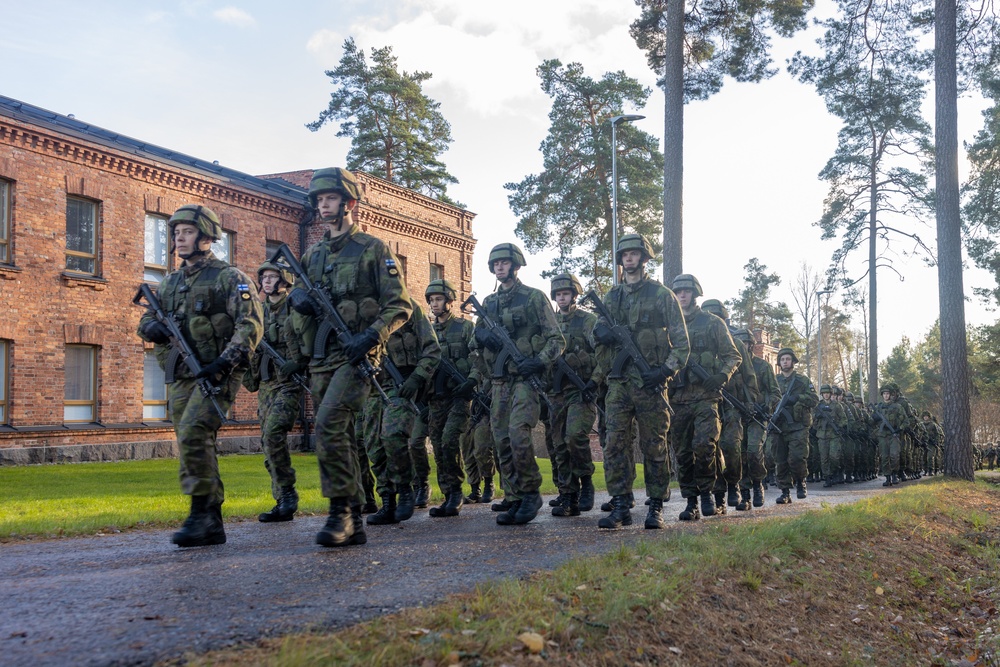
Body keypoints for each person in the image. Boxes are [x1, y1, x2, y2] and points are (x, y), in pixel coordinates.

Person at [286, 167, 412, 547]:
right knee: (342, 436)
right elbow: (293, 304)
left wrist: (372, 336)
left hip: (357, 357)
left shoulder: (373, 249)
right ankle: (355, 518)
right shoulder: (313, 254)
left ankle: (339, 511)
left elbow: (400, 305)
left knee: (327, 425)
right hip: (321, 358)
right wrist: (298, 301)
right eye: (319, 200)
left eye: (330, 199)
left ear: (348, 203)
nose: (323, 205)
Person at [137, 204, 263, 547]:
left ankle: (201, 514)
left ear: (207, 236)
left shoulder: (229, 277)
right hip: (180, 373)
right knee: (191, 439)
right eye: (176, 233)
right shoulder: (171, 282)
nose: (179, 238)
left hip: (218, 372)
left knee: (194, 430)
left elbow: (250, 326)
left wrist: (224, 363)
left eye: (187, 232)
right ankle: (209, 518)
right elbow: (145, 323)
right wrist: (153, 328)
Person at [591, 235, 690, 529]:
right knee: (614, 445)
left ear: (645, 259)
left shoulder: (662, 295)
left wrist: (664, 372)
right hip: (619, 383)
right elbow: (595, 330)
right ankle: (620, 504)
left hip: (650, 383)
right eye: (625, 254)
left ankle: (656, 505)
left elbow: (682, 345)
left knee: (654, 446)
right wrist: (602, 334)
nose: (629, 259)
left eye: (635, 254)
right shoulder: (612, 297)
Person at [473, 243, 565, 526]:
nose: (499, 267)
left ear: (515, 265)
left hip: (525, 380)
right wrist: (482, 336)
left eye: (504, 262)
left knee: (518, 434)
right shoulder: (488, 302)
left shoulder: (534, 298)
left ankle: (531, 493)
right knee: (500, 440)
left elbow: (557, 340)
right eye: (495, 263)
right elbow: (476, 334)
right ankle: (513, 496)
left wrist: (537, 361)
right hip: (499, 382)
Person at [667, 275, 740, 521]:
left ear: (695, 293)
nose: (682, 295)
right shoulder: (668, 326)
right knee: (682, 453)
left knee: (705, 447)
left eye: (686, 291)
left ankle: (708, 493)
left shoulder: (712, 323)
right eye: (678, 292)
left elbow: (733, 356)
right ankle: (690, 501)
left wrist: (721, 375)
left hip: (705, 398)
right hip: (677, 399)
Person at [364, 297, 441, 524]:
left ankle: (405, 487)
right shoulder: (358, 306)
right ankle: (387, 501)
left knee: (393, 434)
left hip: (402, 383)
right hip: (370, 385)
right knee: (372, 445)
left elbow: (432, 348)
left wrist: (417, 378)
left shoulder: (408, 307)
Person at [243, 260, 304, 523]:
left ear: (285, 281)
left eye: (272, 277)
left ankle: (288, 494)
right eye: (264, 277)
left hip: (289, 382)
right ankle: (282, 498)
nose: (266, 281)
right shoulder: (258, 311)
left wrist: (300, 362)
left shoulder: (296, 309)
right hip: (267, 383)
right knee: (268, 442)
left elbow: (311, 342)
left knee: (274, 431)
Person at [547, 273, 599, 517]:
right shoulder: (549, 322)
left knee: (575, 436)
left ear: (575, 295)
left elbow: (602, 352)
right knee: (558, 443)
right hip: (556, 393)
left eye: (566, 293)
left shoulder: (587, 321)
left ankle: (586, 483)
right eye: (558, 294)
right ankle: (568, 495)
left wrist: (594, 380)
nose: (562, 297)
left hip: (580, 390)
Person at [424, 279, 475, 517]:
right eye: (431, 300)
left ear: (449, 301)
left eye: (438, 299)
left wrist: (472, 381)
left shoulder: (464, 328)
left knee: (449, 441)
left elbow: (477, 357)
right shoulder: (428, 332)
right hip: (436, 398)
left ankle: (456, 493)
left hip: (458, 396)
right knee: (437, 443)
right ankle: (447, 494)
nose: (434, 304)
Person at [701, 299, 758, 513]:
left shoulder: (737, 345)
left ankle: (733, 483)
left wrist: (749, 403)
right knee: (710, 450)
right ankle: (718, 495)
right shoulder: (696, 342)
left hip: (732, 406)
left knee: (732, 447)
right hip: (706, 403)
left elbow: (749, 378)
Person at [732, 328, 777, 510]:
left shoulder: (762, 366)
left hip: (757, 416)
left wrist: (765, 407)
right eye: (740, 343)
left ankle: (758, 484)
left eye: (746, 343)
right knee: (739, 455)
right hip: (737, 416)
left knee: (753, 451)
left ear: (751, 345)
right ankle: (745, 495)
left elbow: (775, 393)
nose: (744, 346)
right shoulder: (732, 366)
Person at [768, 348, 819, 503]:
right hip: (778, 426)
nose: (785, 361)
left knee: (797, 458)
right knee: (780, 460)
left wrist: (797, 398)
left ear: (793, 361)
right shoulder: (774, 381)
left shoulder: (802, 381)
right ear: (779, 363)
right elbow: (766, 398)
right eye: (782, 359)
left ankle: (801, 482)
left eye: (788, 359)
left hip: (797, 426)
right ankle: (785, 492)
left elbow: (814, 399)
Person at [874, 384, 907, 486]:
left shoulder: (897, 407)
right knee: (884, 457)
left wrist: (899, 429)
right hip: (883, 435)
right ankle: (887, 477)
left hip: (894, 435)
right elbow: (871, 423)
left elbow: (906, 421)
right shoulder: (878, 408)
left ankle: (894, 474)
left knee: (894, 456)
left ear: (891, 395)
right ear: (882, 395)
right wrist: (874, 419)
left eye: (887, 394)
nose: (886, 396)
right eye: (884, 394)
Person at [814, 385, 847, 487]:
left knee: (834, 457)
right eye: (824, 393)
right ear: (822, 394)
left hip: (834, 434)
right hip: (822, 435)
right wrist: (817, 418)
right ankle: (827, 477)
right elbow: (812, 419)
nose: (826, 395)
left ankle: (834, 472)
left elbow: (844, 419)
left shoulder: (837, 406)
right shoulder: (818, 406)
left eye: (828, 393)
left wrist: (839, 426)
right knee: (824, 458)